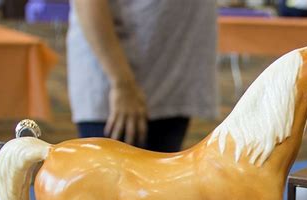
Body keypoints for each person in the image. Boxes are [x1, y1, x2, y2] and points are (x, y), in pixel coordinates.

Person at [67, 0, 218, 152]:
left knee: (161, 172)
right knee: (113, 173)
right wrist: (122, 83)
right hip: (120, 84)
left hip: (169, 80)